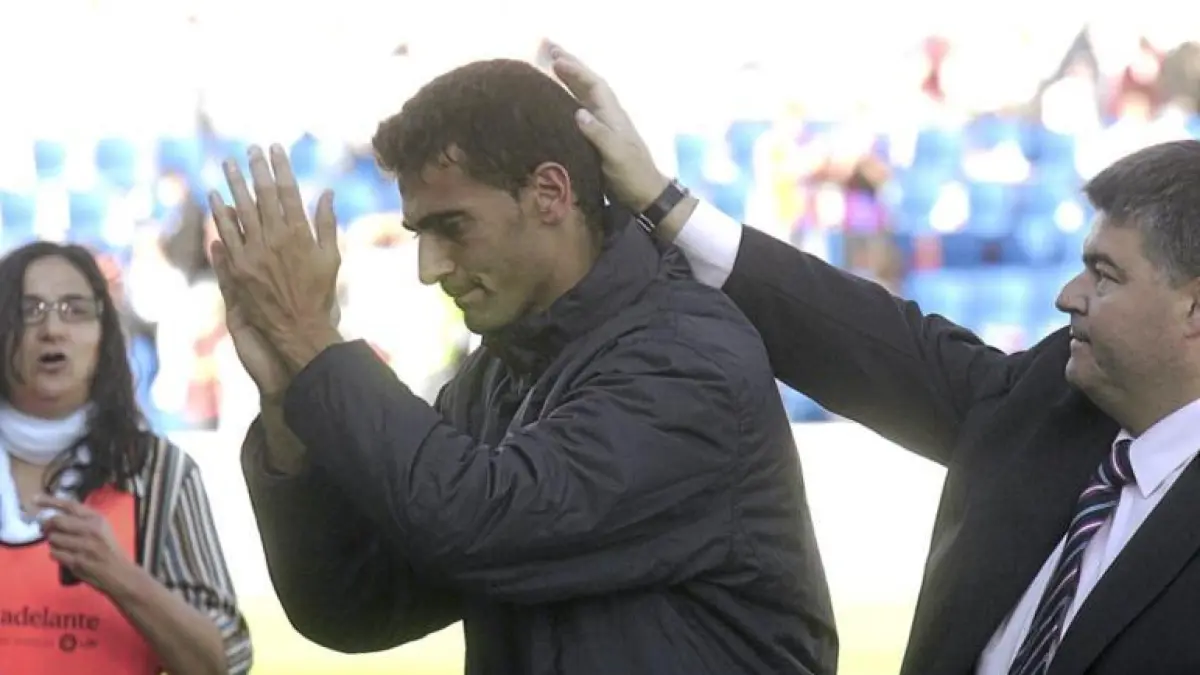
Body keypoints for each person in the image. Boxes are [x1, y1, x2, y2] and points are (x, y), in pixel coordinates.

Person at [548, 45, 1200, 675]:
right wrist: (664, 203)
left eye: (1105, 275)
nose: (1068, 296)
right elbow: (876, 343)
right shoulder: (1052, 394)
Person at [209, 59, 837, 675]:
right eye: (421, 233)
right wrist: (289, 408)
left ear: (550, 193)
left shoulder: (688, 359)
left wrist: (312, 339)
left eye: (453, 227)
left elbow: (484, 525)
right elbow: (355, 604)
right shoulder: (497, 378)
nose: (430, 268)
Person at [0, 242, 252, 674]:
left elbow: (228, 662)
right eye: (28, 310)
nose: (52, 329)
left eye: (75, 310)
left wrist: (121, 577)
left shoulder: (158, 473)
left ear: (104, 336)